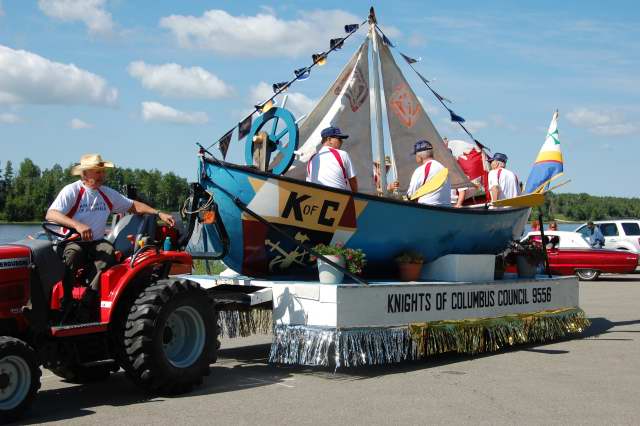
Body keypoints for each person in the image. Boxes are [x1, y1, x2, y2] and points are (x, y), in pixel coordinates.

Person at [46, 153, 176, 322]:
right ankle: (66, 300)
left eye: (102, 172)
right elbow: (51, 214)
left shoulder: (106, 194)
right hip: (74, 240)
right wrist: (77, 225)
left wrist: (158, 213)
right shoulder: (72, 191)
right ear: (84, 173)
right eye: (97, 172)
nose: (102, 175)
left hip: (96, 242)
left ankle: (88, 300)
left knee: (108, 252)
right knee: (73, 253)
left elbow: (133, 206)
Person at [306, 126, 358, 192]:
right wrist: (356, 196)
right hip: (338, 196)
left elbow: (309, 184)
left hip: (317, 196)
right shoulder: (342, 154)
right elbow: (353, 181)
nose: (342, 142)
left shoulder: (311, 159)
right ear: (329, 139)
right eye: (339, 139)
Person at [406, 140, 451, 206]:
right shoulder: (443, 168)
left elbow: (410, 195)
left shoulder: (420, 170)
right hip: (447, 208)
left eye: (415, 155)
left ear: (420, 156)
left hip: (427, 207)